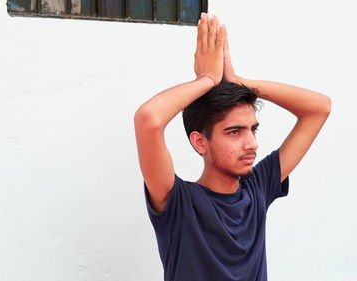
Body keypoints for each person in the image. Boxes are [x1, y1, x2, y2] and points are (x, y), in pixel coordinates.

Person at [134, 12, 331, 281]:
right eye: (234, 132)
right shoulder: (179, 203)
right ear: (200, 141)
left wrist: (240, 82)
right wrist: (207, 80)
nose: (251, 143)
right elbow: (148, 119)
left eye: (253, 129)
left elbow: (320, 108)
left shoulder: (257, 188)